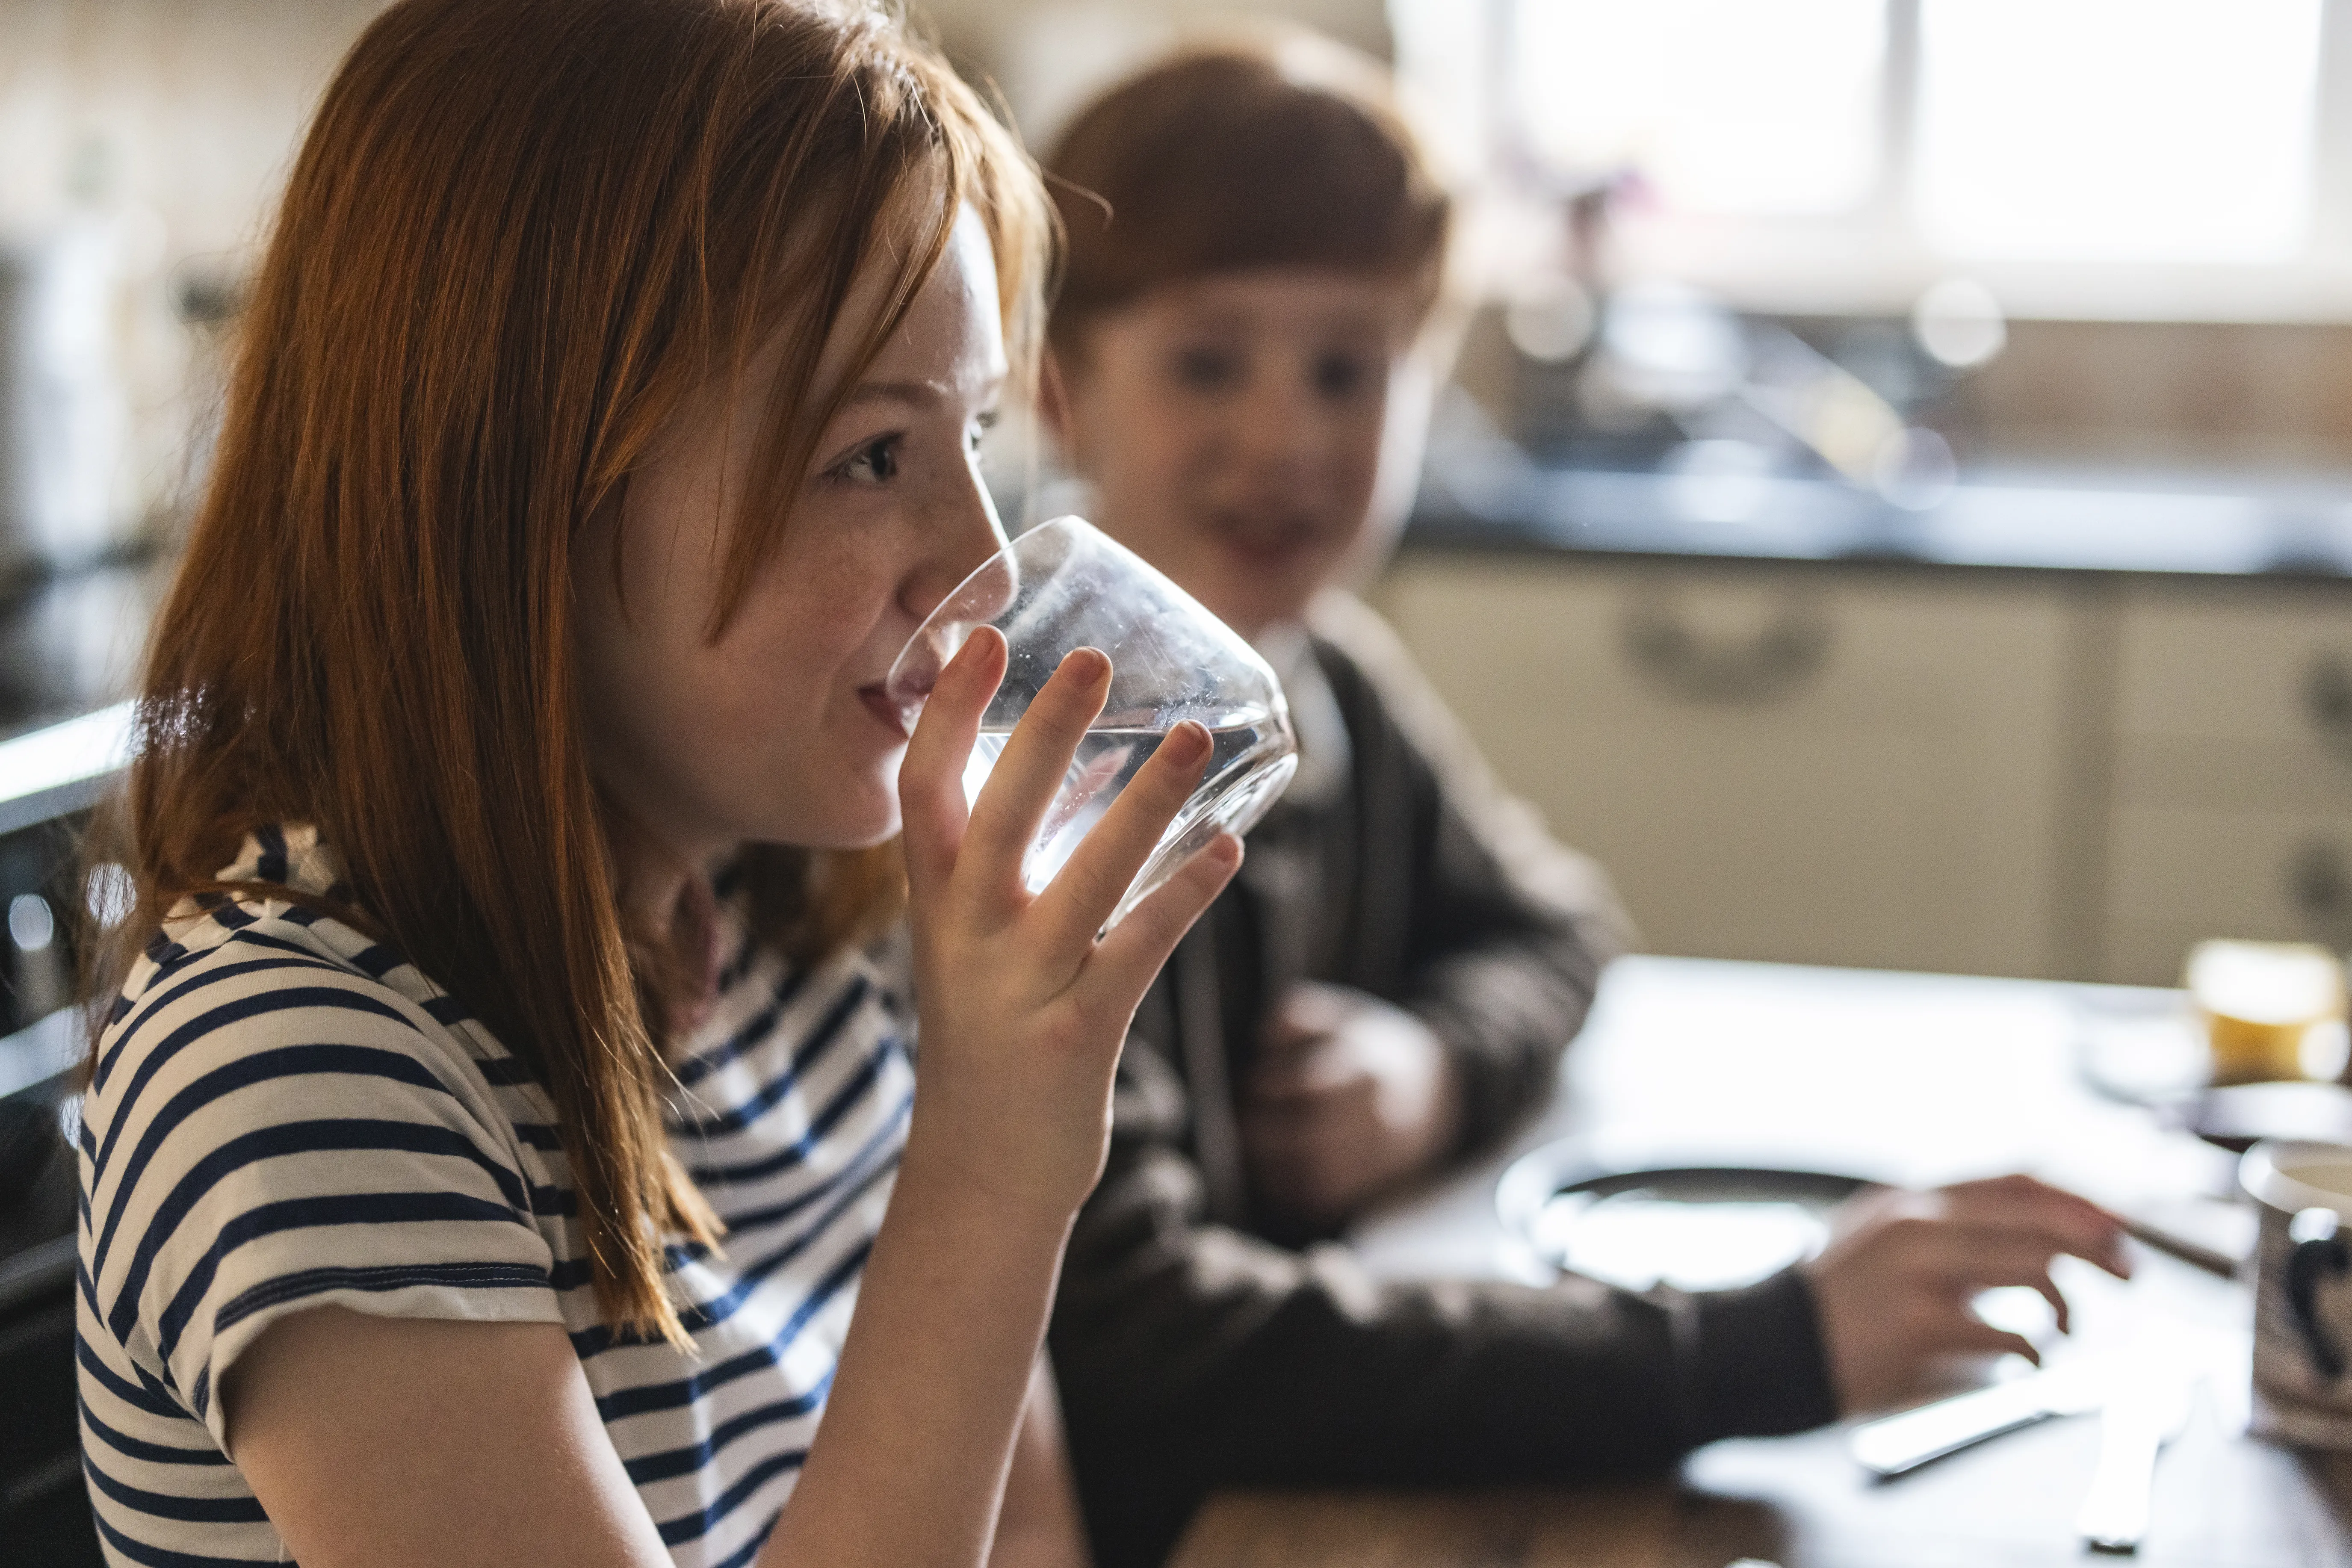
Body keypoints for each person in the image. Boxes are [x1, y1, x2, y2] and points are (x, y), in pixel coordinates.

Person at [73, 3, 1239, 1565]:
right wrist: (991, 1172)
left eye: (968, 435)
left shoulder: (794, 934)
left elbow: (1023, 1530)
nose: (978, 565)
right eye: (870, 458)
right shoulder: (300, 1070)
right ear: (517, 485)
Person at [1033, 35, 2133, 1567]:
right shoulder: (1056, 766)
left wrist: (1428, 1066)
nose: (1287, 438)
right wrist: (1763, 1347)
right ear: (1059, 389)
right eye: (1208, 362)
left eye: (1348, 370)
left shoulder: (1324, 676)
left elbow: (1552, 925)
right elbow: (1154, 1359)